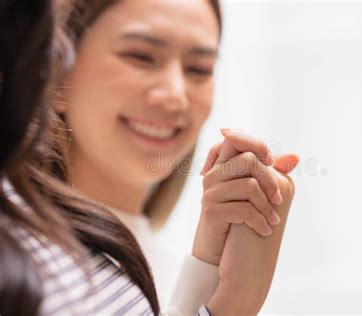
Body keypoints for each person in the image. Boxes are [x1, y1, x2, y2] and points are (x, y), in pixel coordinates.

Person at [0, 0, 298, 315]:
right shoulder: (17, 260)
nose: (174, 95)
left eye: (199, 69)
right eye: (140, 56)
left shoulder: (175, 271)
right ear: (55, 70)